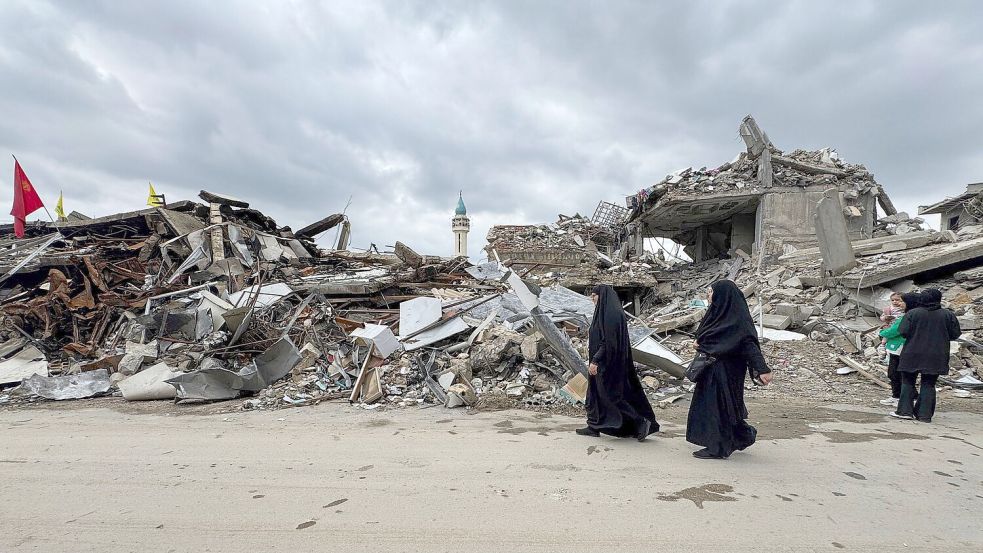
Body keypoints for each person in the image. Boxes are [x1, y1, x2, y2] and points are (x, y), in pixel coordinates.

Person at [686, 279, 773, 459]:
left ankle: (718, 448)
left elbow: (749, 344)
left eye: (711, 292)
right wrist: (700, 343)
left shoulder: (738, 320)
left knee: (718, 407)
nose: (709, 296)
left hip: (728, 371)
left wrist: (762, 369)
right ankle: (741, 436)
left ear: (723, 296)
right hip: (710, 369)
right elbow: (706, 335)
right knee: (718, 406)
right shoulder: (716, 314)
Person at [577, 284, 659, 441]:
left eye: (594, 295)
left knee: (611, 397)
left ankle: (641, 422)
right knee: (595, 395)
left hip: (608, 364)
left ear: (603, 296)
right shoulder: (603, 312)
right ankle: (593, 426)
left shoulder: (611, 315)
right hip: (602, 362)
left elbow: (608, 342)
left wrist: (595, 360)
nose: (592, 298)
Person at [893, 288, 960, 422]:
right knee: (929, 383)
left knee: (908, 381)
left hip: (912, 351)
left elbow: (903, 332)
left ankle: (905, 411)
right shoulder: (948, 315)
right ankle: (924, 415)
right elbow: (955, 334)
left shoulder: (913, 313)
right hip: (937, 354)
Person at [877, 292, 920, 407]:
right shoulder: (911, 314)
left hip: (899, 347)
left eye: (901, 301)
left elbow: (895, 330)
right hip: (899, 347)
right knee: (896, 373)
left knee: (896, 373)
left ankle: (906, 397)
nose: (899, 304)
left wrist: (882, 333)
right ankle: (897, 396)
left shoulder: (907, 316)